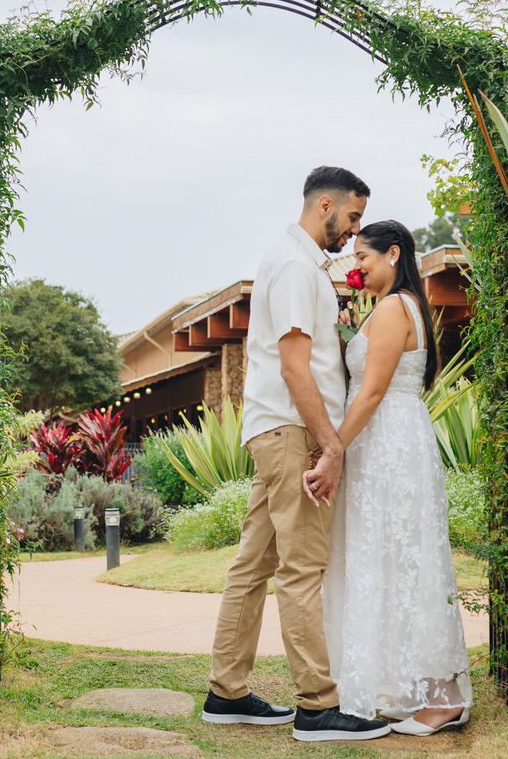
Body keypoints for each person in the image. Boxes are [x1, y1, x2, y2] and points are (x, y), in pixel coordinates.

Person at [201, 166, 391, 742]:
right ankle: (316, 705)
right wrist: (329, 444)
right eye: (352, 217)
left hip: (277, 431)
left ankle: (225, 693)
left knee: (254, 565)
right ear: (325, 205)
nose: (352, 231)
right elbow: (293, 366)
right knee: (303, 569)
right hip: (291, 434)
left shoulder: (301, 263)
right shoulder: (290, 264)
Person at [307, 220, 472, 737]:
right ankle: (415, 687)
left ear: (393, 253)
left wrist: (333, 449)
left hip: (389, 441)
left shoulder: (396, 308)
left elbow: (372, 392)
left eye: (363, 256)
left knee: (406, 560)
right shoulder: (397, 307)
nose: (356, 265)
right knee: (397, 558)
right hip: (389, 440)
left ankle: (443, 698)